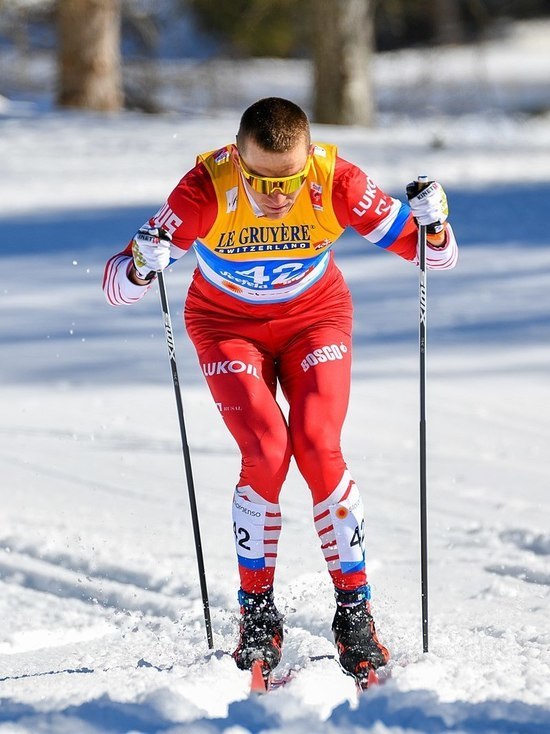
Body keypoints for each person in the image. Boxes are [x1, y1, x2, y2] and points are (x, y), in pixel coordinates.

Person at [103, 97, 458, 681]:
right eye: (261, 179)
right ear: (237, 160)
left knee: (318, 444)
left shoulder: (336, 180)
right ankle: (257, 613)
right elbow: (119, 286)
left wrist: (435, 223)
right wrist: (143, 264)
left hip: (315, 318)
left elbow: (435, 258)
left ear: (307, 158)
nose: (277, 193)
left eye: (289, 178)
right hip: (225, 326)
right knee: (267, 450)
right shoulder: (203, 190)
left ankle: (354, 612)